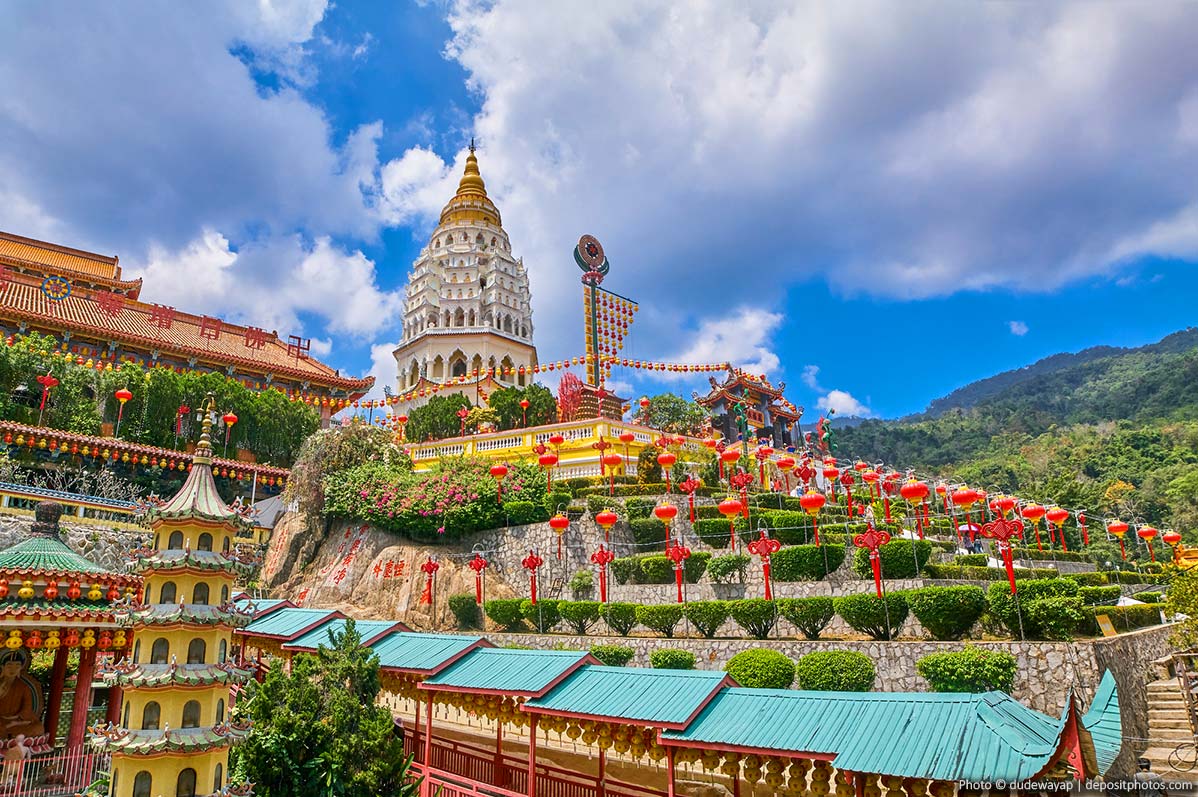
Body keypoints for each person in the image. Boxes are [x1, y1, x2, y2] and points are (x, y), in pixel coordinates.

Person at [0, 651, 42, 739]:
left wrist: (15, 722)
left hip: (16, 722)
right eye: (9, 665)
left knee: (38, 728)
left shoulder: (24, 687)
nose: (13, 669)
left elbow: (27, 709)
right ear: (2, 666)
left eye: (17, 666)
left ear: (21, 667)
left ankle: (9, 737)